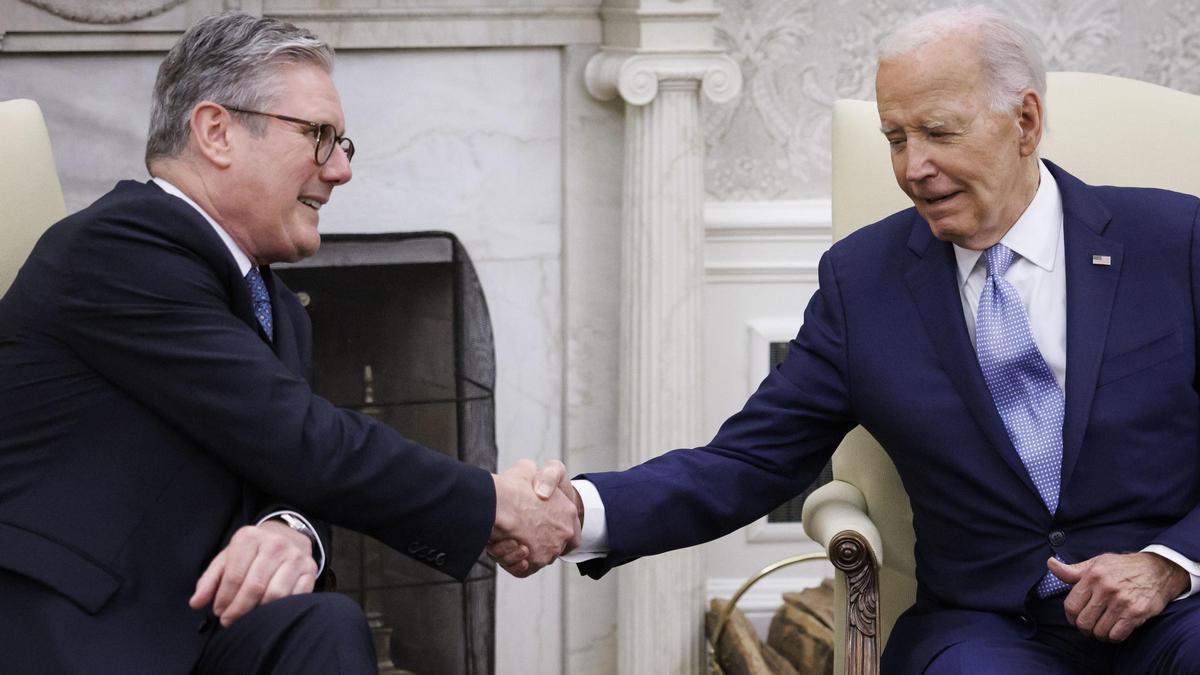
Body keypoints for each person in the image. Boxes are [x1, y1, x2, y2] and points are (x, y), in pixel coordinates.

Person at [492, 6, 1200, 673]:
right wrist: (578, 512)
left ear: (1025, 120)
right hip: (989, 628)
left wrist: (1171, 560)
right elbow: (747, 461)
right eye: (896, 138)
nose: (912, 167)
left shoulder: (1175, 242)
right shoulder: (863, 283)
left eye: (939, 133)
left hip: (1176, 608)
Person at [0, 12, 578, 674]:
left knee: (325, 624)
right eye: (319, 136)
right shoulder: (118, 246)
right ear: (217, 132)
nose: (340, 170)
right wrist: (495, 503)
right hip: (70, 631)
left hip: (196, 627)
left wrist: (289, 529)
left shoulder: (277, 308)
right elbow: (304, 437)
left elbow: (282, 455)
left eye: (343, 143)